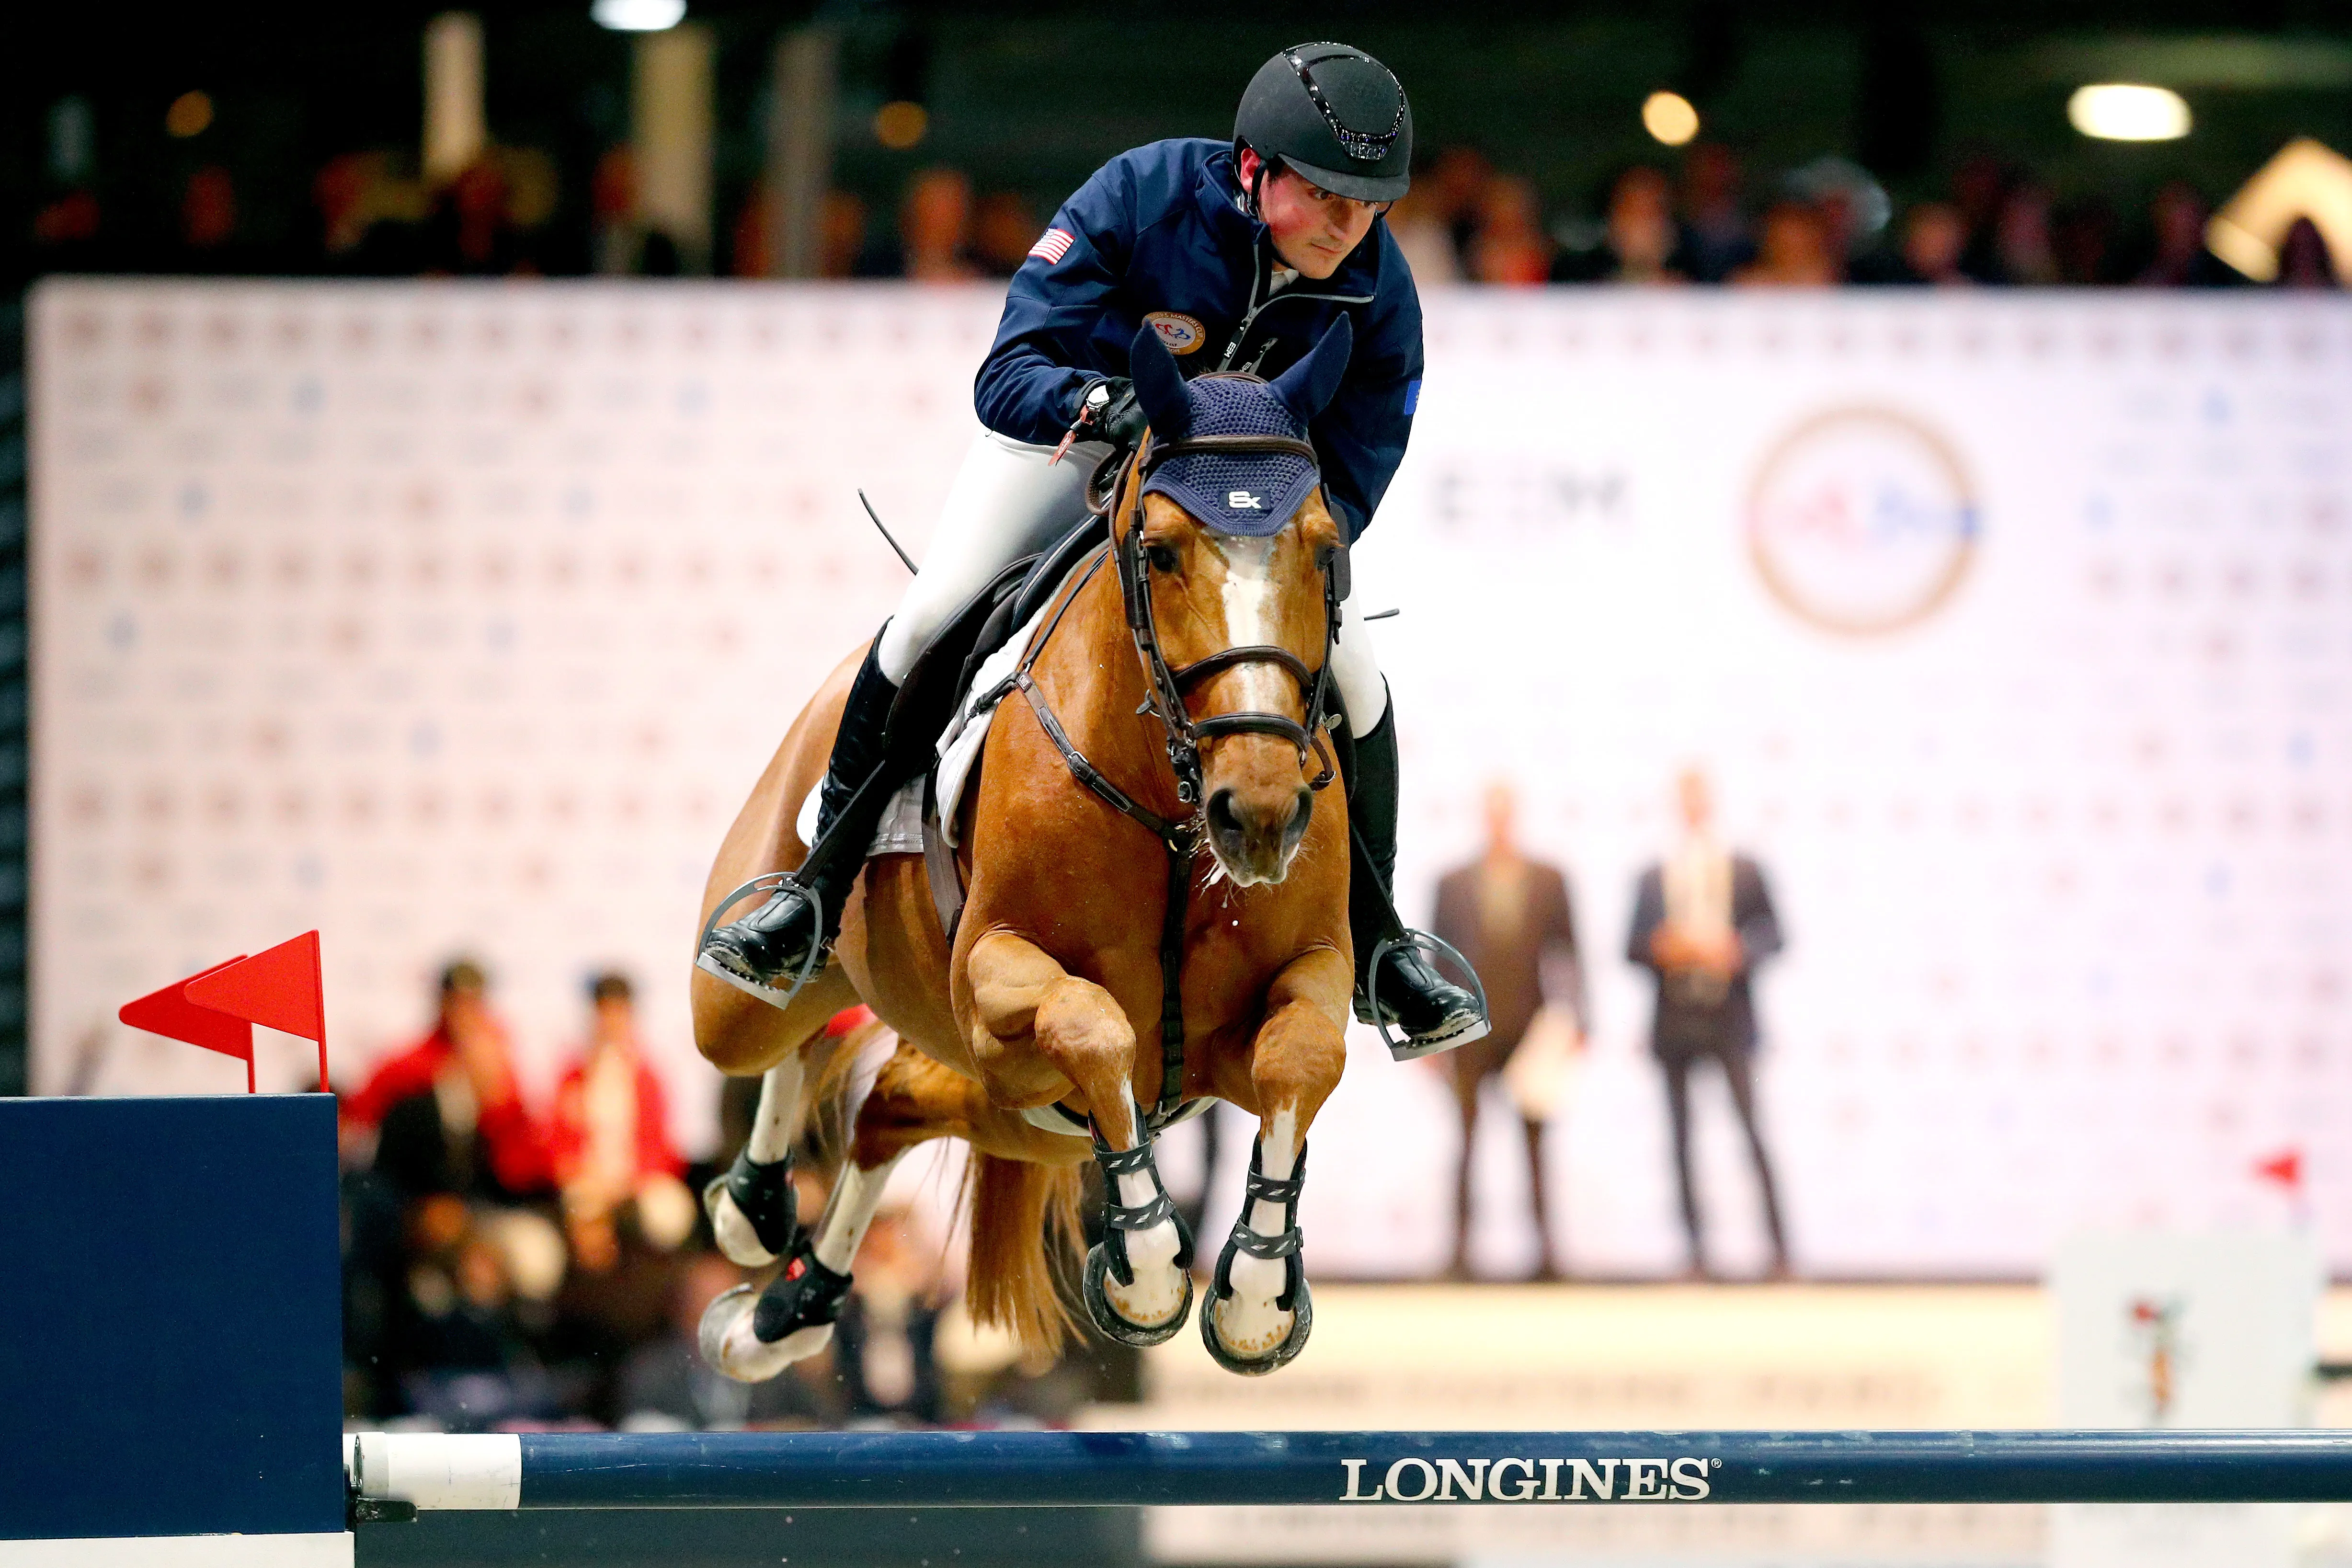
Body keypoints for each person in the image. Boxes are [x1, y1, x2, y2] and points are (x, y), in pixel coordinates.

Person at [700, 43, 1488, 1055]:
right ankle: (812, 891)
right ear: (1254, 169)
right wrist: (1098, 401)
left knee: (1360, 676)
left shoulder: (1381, 292)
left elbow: (1361, 459)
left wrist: (1281, 540)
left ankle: (1379, 946)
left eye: (1370, 204)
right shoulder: (1141, 196)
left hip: (1237, 522)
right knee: (935, 612)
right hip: (1068, 456)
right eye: (1327, 195)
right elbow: (1009, 370)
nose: (1350, 226)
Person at [1626, 768, 1790, 1279]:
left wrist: (1735, 951)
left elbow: (1775, 934)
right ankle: (1695, 1254)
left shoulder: (1742, 867)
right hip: (1674, 1018)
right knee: (1681, 1139)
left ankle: (1779, 1250)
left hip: (1729, 1017)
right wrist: (1664, 949)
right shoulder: (1655, 873)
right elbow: (1630, 946)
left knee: (1750, 1129)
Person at [1430, 781, 1585, 1279]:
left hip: (1529, 1029)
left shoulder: (1547, 878)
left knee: (1535, 1145)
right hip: (1466, 1030)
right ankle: (1458, 1254)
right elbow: (1433, 963)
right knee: (1466, 1142)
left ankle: (1545, 1253)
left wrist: (1577, 1022)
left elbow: (1571, 954)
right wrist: (1429, 1035)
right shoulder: (1452, 882)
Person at [344, 959, 552, 1204]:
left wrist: (491, 1094)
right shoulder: (407, 1063)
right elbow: (358, 1122)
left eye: (472, 1003)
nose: (464, 1013)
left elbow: (515, 1145)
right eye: (456, 1003)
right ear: (441, 1003)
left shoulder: (499, 1063)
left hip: (482, 1191)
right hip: (412, 1193)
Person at [549, 973, 694, 1274]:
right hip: (588, 1181)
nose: (611, 1022)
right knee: (584, 1210)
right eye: (605, 1013)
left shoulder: (647, 1076)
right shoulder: (574, 1076)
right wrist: (582, 1175)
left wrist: (630, 1181)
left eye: (619, 1013)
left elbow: (663, 1146)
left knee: (669, 1213)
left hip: (638, 1182)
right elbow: (559, 1143)